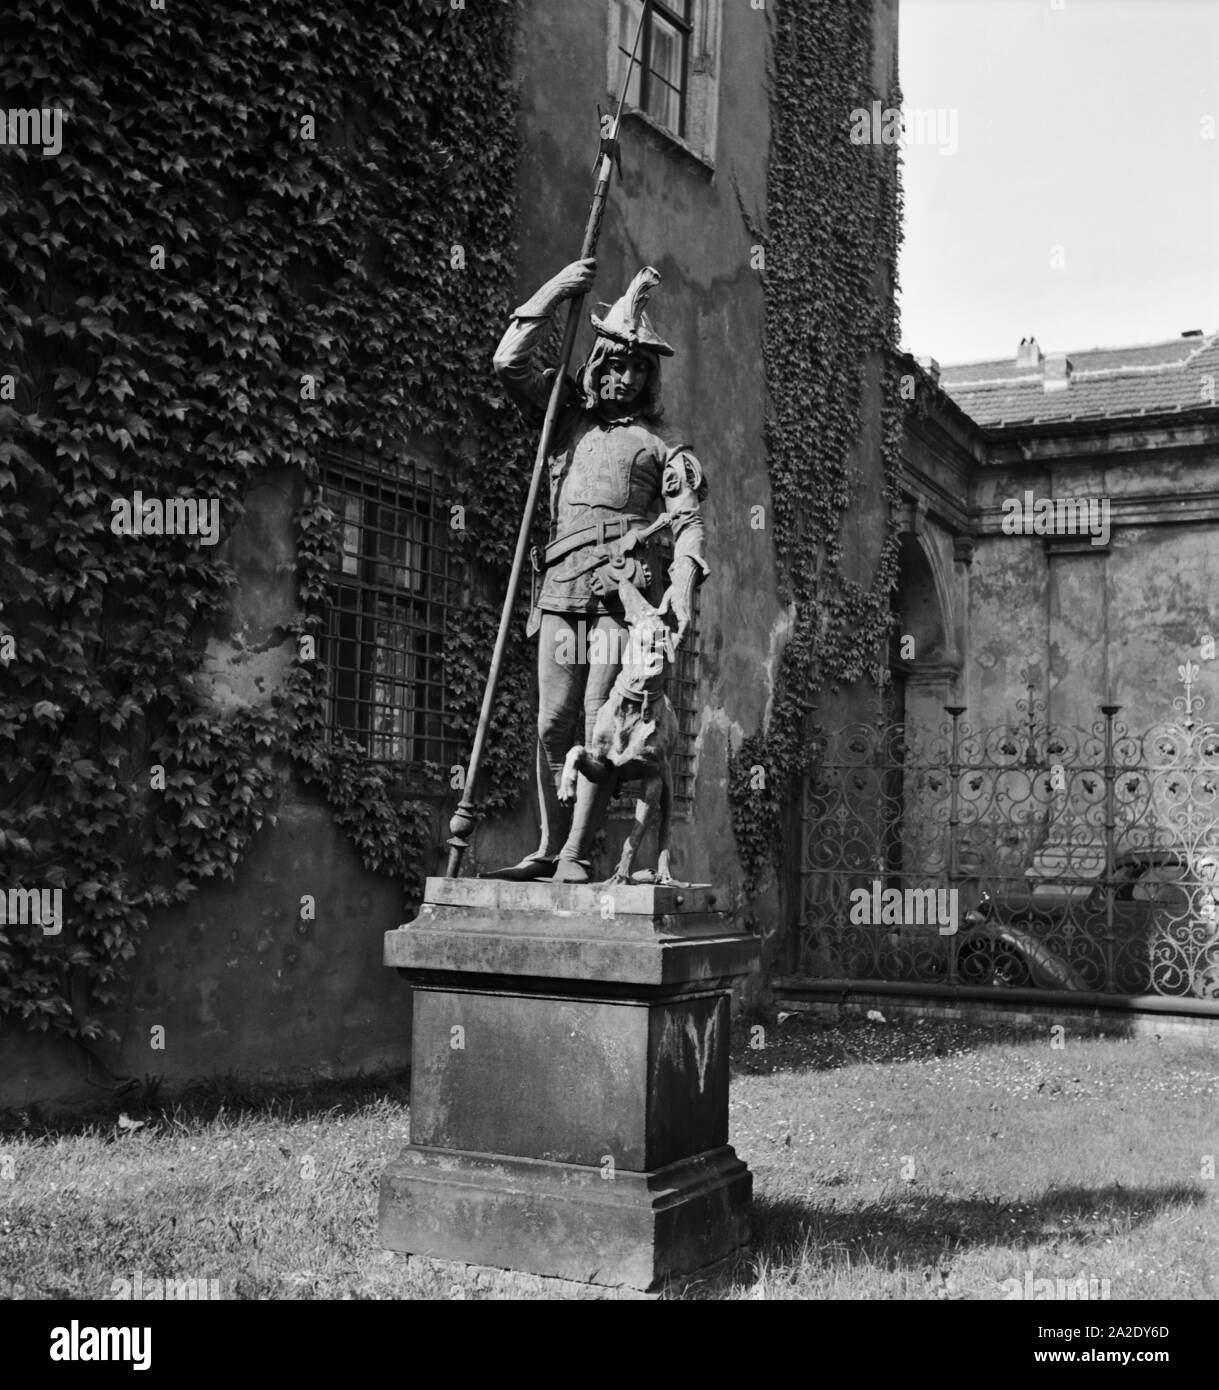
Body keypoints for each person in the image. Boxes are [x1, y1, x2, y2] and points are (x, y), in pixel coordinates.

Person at [486, 258, 709, 882]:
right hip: (560, 585)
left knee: (597, 717)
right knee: (551, 720)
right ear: (597, 366)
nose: (625, 377)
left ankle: (578, 856)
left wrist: (684, 580)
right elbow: (509, 362)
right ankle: (550, 846)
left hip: (624, 592)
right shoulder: (566, 419)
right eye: (616, 365)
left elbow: (687, 521)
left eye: (638, 368)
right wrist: (559, 287)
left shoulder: (666, 448)